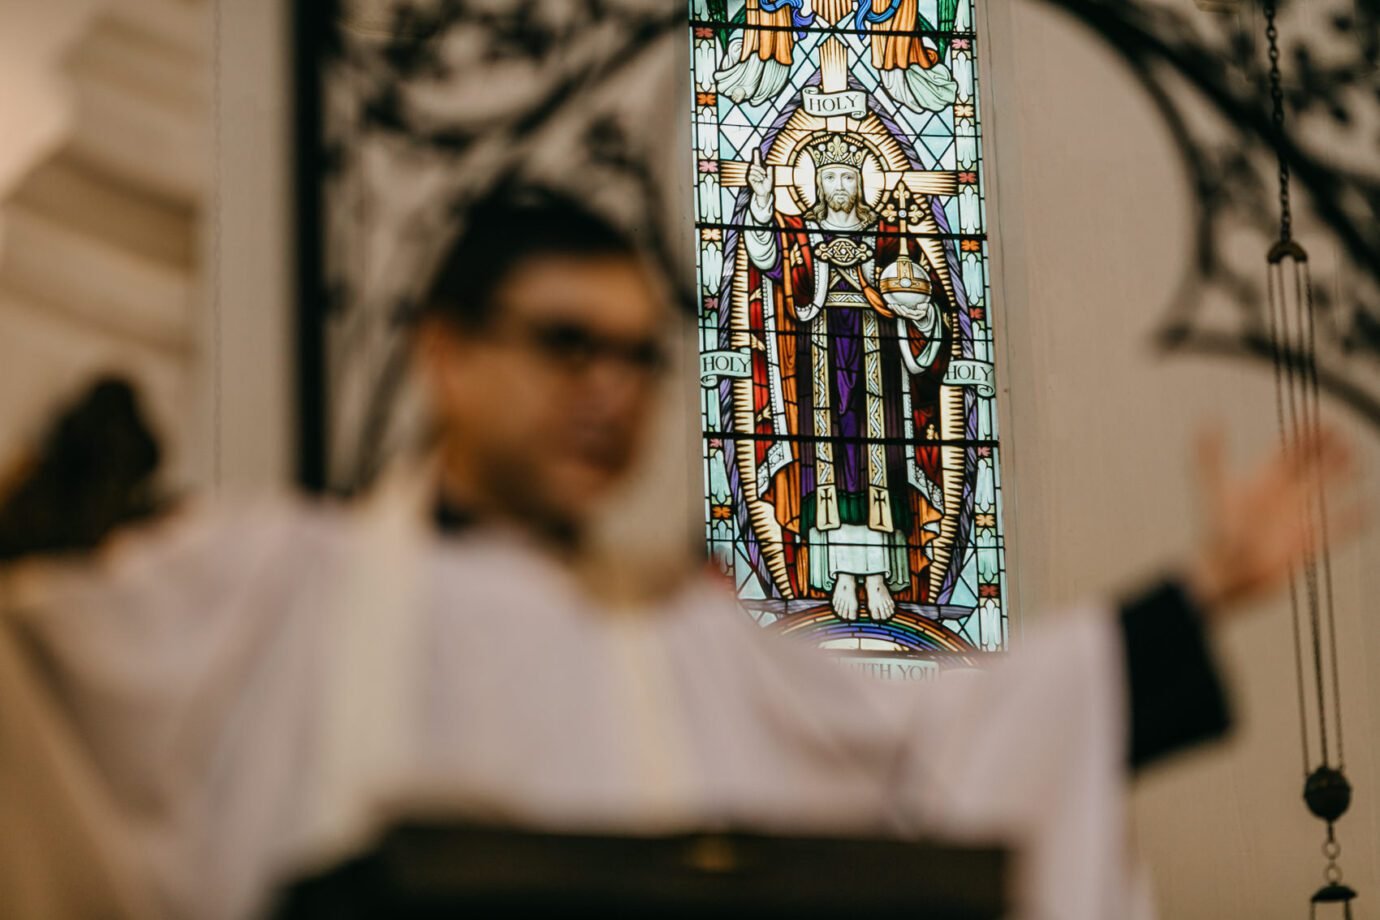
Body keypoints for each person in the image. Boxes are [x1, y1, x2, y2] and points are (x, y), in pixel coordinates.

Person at [0, 187, 1362, 920]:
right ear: (445, 353)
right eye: (565, 344)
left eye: (643, 357)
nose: (612, 390)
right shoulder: (272, 579)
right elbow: (48, 676)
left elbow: (927, 761)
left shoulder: (683, 637)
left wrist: (1201, 593)